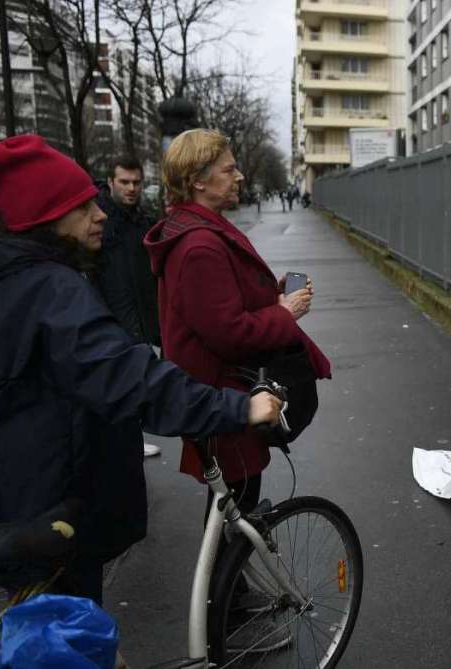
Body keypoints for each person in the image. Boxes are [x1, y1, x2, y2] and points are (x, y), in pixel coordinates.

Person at [0, 134, 284, 608]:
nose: (99, 215)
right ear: (45, 219)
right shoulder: (51, 292)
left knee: (52, 634)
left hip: (13, 498)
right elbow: (129, 378)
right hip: (54, 509)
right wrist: (237, 406)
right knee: (71, 634)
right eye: (82, 207)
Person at [144, 129, 331, 593]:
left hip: (219, 390)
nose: (239, 175)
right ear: (197, 181)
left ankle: (228, 600)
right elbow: (229, 334)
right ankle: (224, 610)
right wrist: (283, 314)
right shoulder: (200, 246)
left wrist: (270, 297)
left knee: (230, 501)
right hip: (225, 392)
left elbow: (220, 310)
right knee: (235, 502)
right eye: (229, 169)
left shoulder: (195, 232)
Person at [94, 156, 165, 458]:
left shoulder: (143, 220)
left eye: (136, 182)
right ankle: (122, 444)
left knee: (133, 382)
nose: (132, 188)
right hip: (111, 317)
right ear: (111, 182)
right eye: (124, 182)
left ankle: (129, 440)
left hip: (140, 318)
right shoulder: (98, 220)